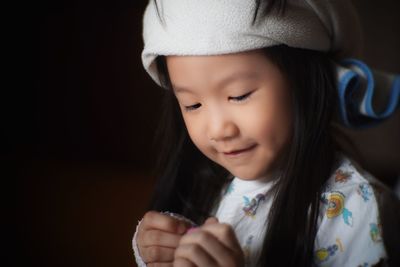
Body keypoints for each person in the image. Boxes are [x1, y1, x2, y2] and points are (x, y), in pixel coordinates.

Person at [133, 0, 400, 266]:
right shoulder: (204, 184)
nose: (217, 130)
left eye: (239, 95)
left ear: (306, 82)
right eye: (193, 105)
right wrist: (163, 249)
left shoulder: (358, 210)